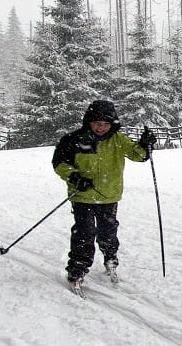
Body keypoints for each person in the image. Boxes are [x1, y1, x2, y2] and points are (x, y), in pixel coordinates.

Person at [51, 99, 154, 289]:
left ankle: (110, 260)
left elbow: (138, 155)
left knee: (108, 231)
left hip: (110, 196)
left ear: (112, 124)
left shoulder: (118, 140)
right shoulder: (74, 139)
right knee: (84, 232)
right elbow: (59, 163)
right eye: (97, 123)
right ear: (88, 121)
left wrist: (145, 144)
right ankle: (77, 270)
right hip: (82, 196)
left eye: (106, 124)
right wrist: (74, 177)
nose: (101, 127)